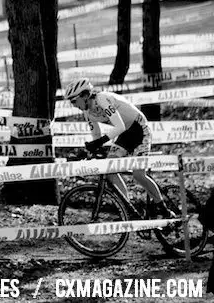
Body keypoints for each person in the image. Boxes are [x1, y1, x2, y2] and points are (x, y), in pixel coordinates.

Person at [65, 78, 175, 217]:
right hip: (125, 135)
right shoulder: (88, 112)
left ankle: (165, 210)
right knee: (110, 171)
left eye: (74, 101)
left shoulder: (102, 99)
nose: (73, 105)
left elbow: (119, 126)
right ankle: (128, 211)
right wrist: (93, 150)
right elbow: (96, 134)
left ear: (85, 95)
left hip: (139, 129)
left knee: (138, 175)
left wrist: (99, 142)